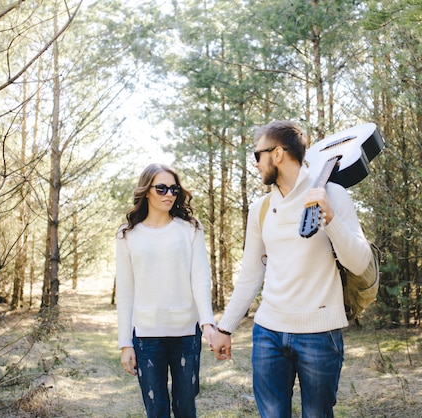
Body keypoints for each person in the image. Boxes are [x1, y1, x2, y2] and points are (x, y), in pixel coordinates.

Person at [210, 120, 372, 417]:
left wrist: (331, 219)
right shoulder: (259, 209)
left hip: (320, 334)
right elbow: (251, 273)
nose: (256, 164)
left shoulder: (333, 194)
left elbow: (360, 262)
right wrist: (225, 328)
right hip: (268, 333)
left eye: (257, 155)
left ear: (279, 153)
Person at [115, 163, 217, 418]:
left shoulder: (190, 228)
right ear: (146, 191)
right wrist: (125, 343)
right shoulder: (127, 234)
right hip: (146, 336)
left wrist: (207, 323)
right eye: (161, 188)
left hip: (186, 334)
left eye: (173, 189)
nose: (169, 194)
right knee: (156, 410)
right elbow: (126, 291)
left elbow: (200, 278)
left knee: (185, 409)